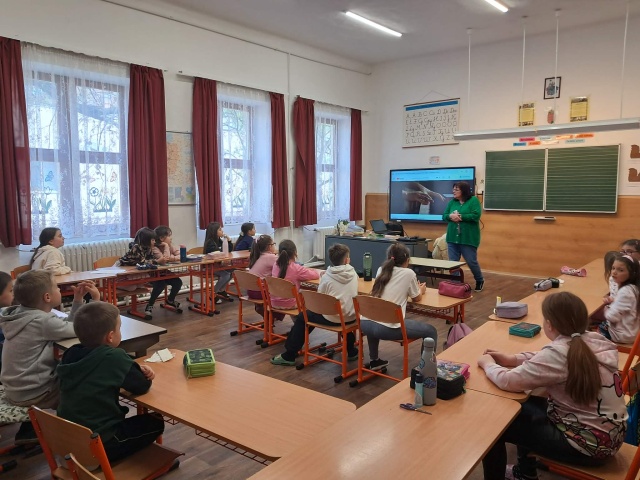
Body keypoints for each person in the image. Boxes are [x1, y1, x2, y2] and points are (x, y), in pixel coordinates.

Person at [479, 292, 626, 480]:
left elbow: (508, 381)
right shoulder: (594, 339)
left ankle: (521, 474)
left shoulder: (560, 353)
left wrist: (487, 364)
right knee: (519, 408)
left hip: (589, 447)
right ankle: (525, 473)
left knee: (494, 426)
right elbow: (546, 358)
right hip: (610, 438)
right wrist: (513, 359)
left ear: (549, 324)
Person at [56, 302, 167, 463]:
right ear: (110, 336)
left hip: (67, 440)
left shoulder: (70, 353)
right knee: (156, 421)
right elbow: (142, 386)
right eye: (119, 328)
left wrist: (130, 368)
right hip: (100, 444)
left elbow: (99, 375)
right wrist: (141, 372)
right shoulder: (114, 357)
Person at [0, 270, 99, 444]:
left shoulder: (18, 315)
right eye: (56, 287)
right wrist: (95, 301)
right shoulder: (43, 322)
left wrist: (77, 301)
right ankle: (75, 432)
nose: (59, 290)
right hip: (35, 393)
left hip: (15, 389)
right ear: (47, 297)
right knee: (81, 382)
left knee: (67, 369)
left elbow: (66, 326)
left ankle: (31, 431)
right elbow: (80, 329)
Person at [271, 243, 358, 366]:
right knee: (337, 312)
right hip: (352, 317)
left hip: (335, 318)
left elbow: (319, 300)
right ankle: (351, 350)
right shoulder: (353, 273)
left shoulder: (327, 277)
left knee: (303, 317)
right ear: (347, 260)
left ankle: (289, 354)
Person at [359, 243, 438, 371]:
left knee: (375, 316)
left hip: (365, 324)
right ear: (407, 260)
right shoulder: (409, 273)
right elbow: (416, 298)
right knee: (431, 331)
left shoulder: (381, 270)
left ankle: (374, 360)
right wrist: (421, 290)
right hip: (386, 328)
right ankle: (426, 370)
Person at [442, 181, 484, 292]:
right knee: (453, 263)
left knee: (471, 261)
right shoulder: (452, 202)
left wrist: (460, 217)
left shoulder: (473, 200)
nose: (453, 191)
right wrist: (450, 216)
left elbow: (476, 215)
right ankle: (455, 284)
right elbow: (444, 216)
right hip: (452, 238)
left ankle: (479, 280)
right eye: (453, 189)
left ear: (464, 191)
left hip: (468, 238)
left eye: (456, 189)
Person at [598, 253, 640, 343]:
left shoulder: (625, 291)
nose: (614, 272)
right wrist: (613, 301)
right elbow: (625, 305)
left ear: (632, 273)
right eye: (613, 268)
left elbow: (611, 316)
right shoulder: (635, 288)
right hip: (633, 331)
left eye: (621, 270)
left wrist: (606, 308)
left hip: (622, 335)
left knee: (596, 326)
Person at [270, 240, 321, 310]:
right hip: (290, 304)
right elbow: (315, 275)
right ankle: (304, 317)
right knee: (312, 299)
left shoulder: (275, 265)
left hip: (274, 303)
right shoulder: (296, 268)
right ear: (294, 253)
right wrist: (312, 270)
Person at [147, 225, 183, 315]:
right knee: (160, 285)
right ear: (162, 238)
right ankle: (150, 304)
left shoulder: (170, 245)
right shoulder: (154, 248)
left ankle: (170, 300)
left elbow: (180, 255)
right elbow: (164, 259)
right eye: (169, 236)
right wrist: (166, 246)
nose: (171, 238)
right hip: (154, 274)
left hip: (165, 272)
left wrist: (172, 257)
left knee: (178, 282)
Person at [203, 222, 234, 305]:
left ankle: (221, 290)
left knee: (232, 271)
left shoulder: (219, 240)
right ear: (214, 231)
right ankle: (213, 293)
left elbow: (228, 250)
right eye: (220, 229)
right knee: (226, 275)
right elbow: (219, 253)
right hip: (210, 267)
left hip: (218, 266)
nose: (222, 231)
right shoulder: (210, 243)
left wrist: (229, 241)